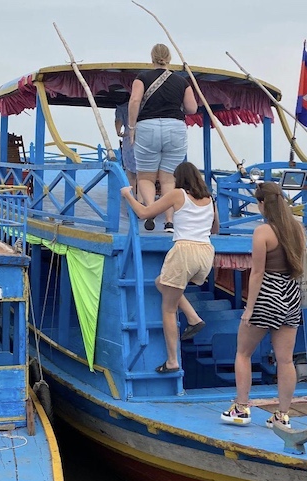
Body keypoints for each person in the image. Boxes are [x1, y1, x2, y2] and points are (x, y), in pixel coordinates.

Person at [221, 182, 307, 429]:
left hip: (267, 294)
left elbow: (257, 273)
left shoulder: (263, 232)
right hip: (291, 294)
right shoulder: (298, 230)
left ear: (261, 203)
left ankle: (241, 408)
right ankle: (282, 415)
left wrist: (249, 308)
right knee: (286, 360)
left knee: (243, 352)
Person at [120, 161, 218, 373]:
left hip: (184, 251)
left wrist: (128, 195)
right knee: (161, 282)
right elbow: (215, 228)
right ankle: (193, 317)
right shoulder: (210, 199)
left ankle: (172, 361)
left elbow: (145, 213)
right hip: (206, 253)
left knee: (169, 309)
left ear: (179, 179)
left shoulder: (177, 194)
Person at [127, 43, 198, 233]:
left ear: (152, 58)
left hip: (147, 127)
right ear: (169, 58)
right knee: (168, 179)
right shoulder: (182, 82)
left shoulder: (142, 78)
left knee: (145, 177)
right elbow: (192, 108)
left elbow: (135, 100)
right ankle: (169, 222)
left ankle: (151, 209)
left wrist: (131, 127)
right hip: (175, 127)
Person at [114, 101, 137, 189]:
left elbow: (118, 119)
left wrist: (118, 131)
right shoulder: (147, 104)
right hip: (147, 138)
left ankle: (131, 195)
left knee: (131, 175)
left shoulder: (123, 107)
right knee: (145, 175)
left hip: (129, 139)